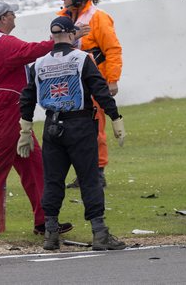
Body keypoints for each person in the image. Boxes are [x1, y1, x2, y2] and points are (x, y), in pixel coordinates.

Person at [0, 1, 76, 238]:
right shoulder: (3, 42)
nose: (15, 16)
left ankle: (45, 220)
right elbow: (31, 50)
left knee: (35, 165)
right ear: (4, 18)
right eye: (12, 13)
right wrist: (61, 41)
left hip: (2, 108)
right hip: (6, 110)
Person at [18, 15, 127, 251]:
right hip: (80, 125)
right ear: (71, 35)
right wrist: (115, 117)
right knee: (89, 178)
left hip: (51, 127)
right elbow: (100, 90)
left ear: (51, 37)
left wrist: (25, 129)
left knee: (52, 180)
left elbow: (27, 98)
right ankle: (100, 233)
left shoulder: (38, 63)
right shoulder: (82, 58)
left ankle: (51, 233)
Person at [56, 0, 122, 188]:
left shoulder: (98, 18)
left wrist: (112, 80)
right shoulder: (62, 18)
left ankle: (98, 172)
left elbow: (112, 49)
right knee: (74, 129)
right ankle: (84, 172)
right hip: (70, 82)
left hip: (93, 81)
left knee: (96, 128)